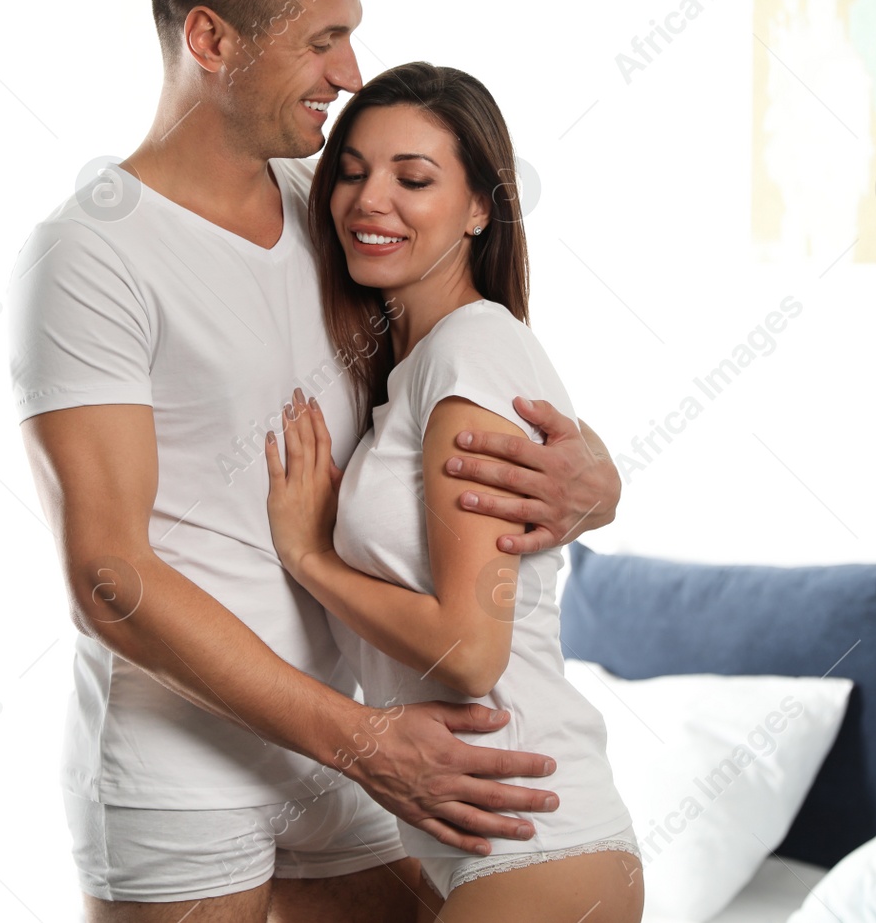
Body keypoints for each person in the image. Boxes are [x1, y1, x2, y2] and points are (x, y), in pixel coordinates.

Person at [7, 0, 624, 921]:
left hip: (346, 746)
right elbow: (107, 572)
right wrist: (365, 741)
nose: (349, 70)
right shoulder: (92, 251)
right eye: (321, 38)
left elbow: (466, 376)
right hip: (187, 761)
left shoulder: (336, 208)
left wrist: (593, 478)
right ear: (211, 40)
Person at [263, 61, 643, 921]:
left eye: (414, 177)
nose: (370, 200)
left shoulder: (472, 352)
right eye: (352, 171)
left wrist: (310, 556)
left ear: (479, 208)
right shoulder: (421, 368)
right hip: (484, 850)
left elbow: (470, 650)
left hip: (538, 844)